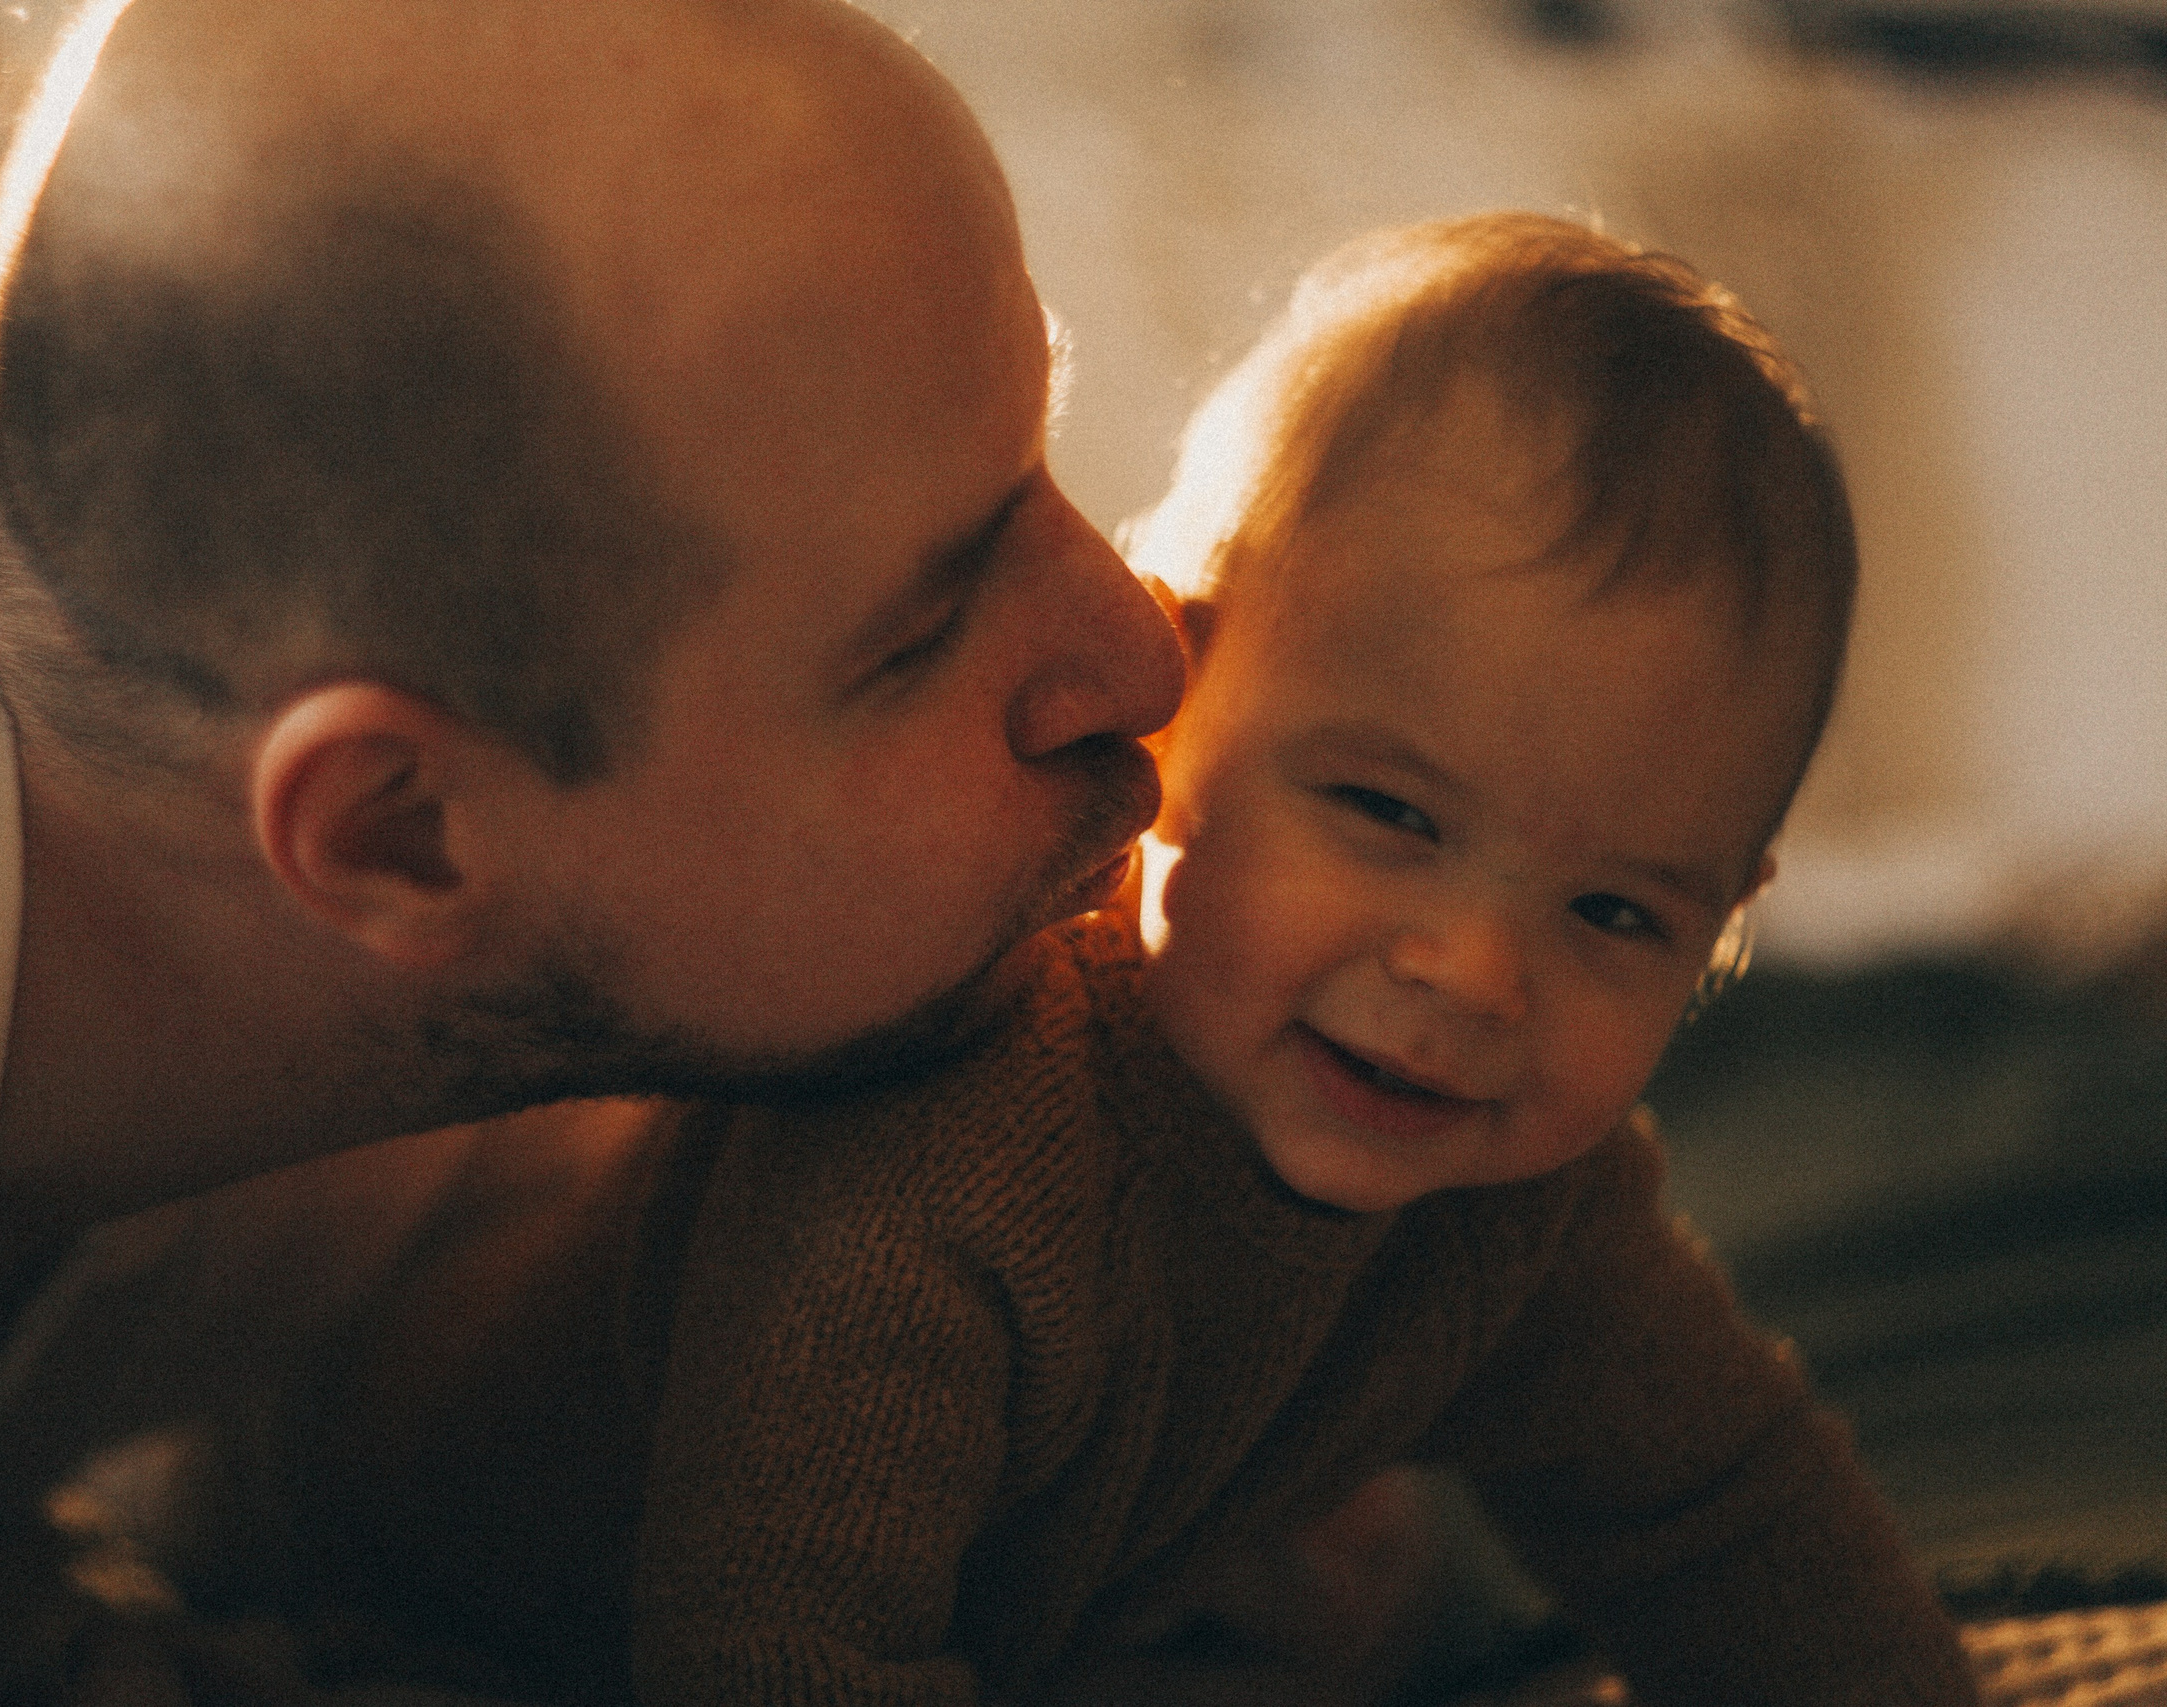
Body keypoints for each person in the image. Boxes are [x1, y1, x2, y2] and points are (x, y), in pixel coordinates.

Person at [0, 0, 1186, 1696]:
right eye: (925, 630)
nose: (1145, 649)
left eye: (1039, 454)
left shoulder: (233, 891)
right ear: (399, 836)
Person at [299, 213, 1982, 1705]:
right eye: (1391, 813)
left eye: (1617, 914)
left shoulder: (1530, 1211)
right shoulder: (953, 1160)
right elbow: (780, 1651)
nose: (1475, 973)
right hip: (427, 1560)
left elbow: (1725, 1515)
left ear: (1726, 922)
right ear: (1168, 709)